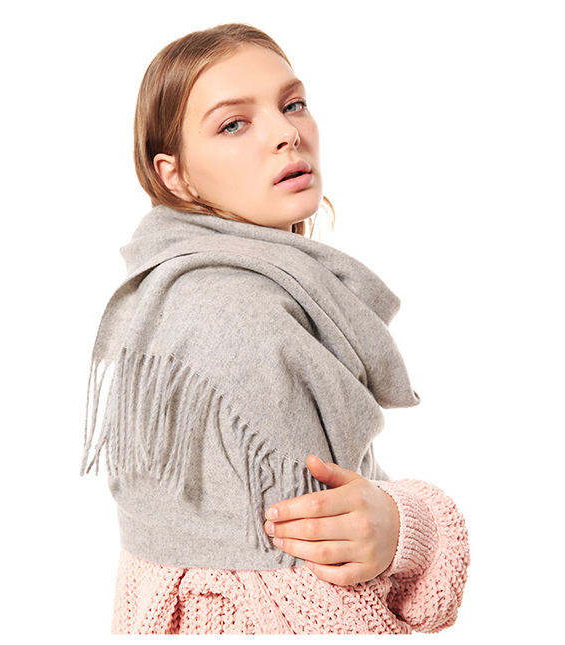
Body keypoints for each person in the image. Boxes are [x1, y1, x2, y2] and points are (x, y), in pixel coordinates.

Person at [80, 23, 471, 634]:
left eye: (292, 104)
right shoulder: (237, 311)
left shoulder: (186, 286)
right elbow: (313, 585)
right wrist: (419, 526)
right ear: (174, 175)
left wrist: (391, 518)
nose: (288, 133)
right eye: (234, 124)